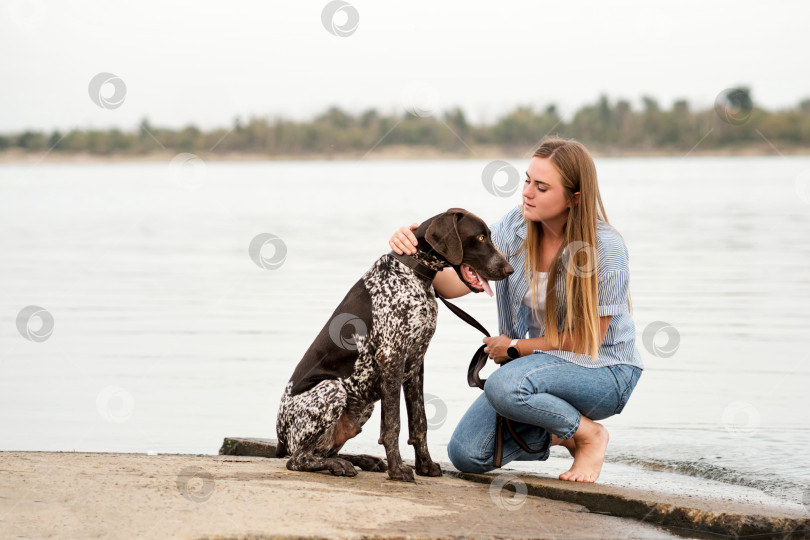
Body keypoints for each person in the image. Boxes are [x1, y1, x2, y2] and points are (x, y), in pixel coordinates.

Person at [388, 137, 643, 483]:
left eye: (541, 187)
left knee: (505, 386)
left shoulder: (606, 248)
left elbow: (588, 340)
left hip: (607, 370)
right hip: (539, 369)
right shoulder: (513, 228)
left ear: (574, 198)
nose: (527, 193)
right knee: (466, 453)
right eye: (527, 180)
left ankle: (590, 436)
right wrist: (414, 248)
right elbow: (453, 284)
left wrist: (515, 348)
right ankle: (567, 432)